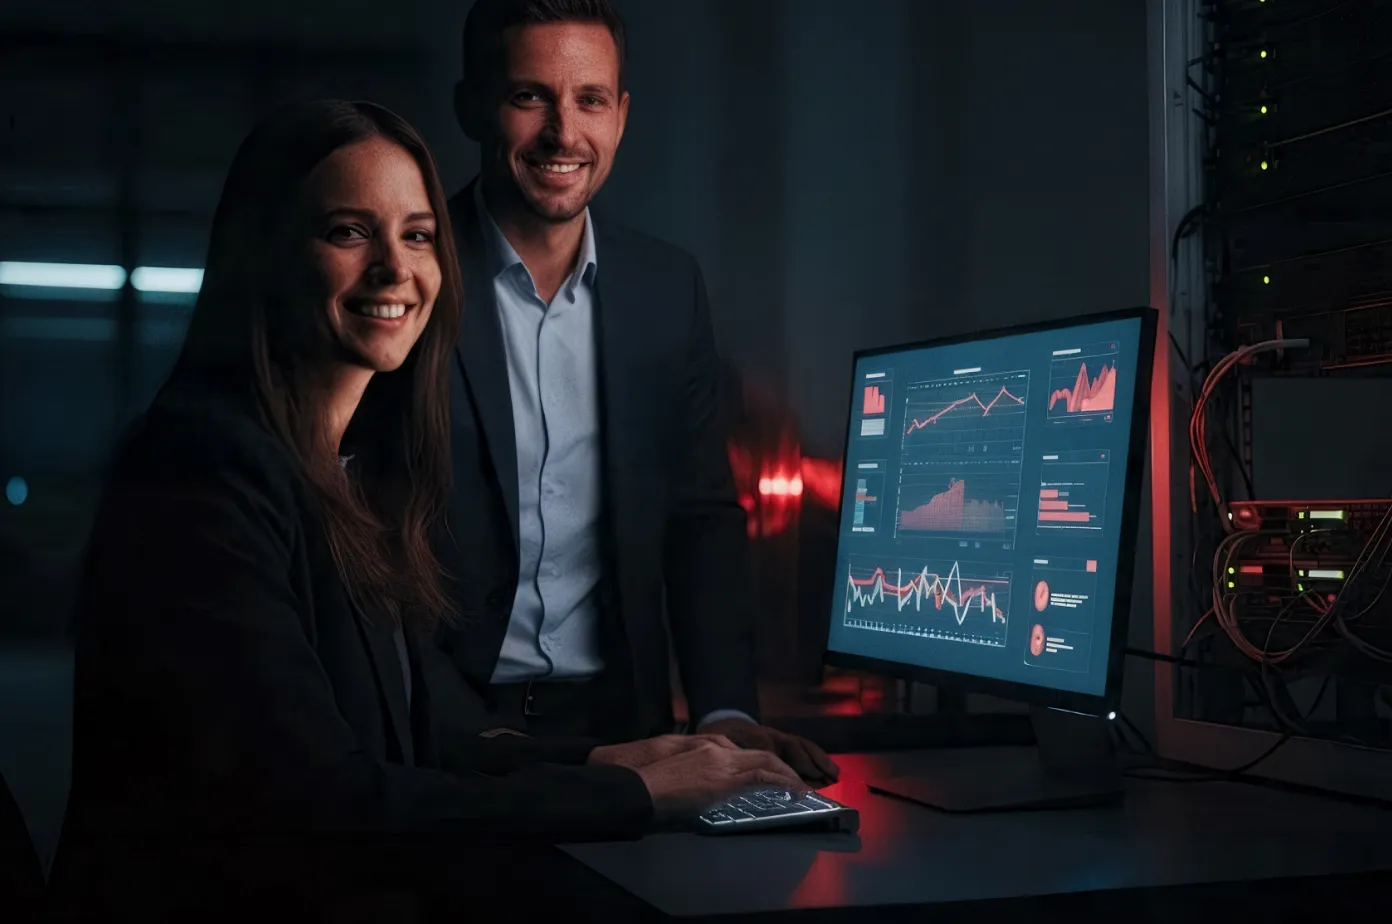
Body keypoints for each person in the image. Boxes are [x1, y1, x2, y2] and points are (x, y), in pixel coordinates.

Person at [47, 98, 806, 921]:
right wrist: (630, 795)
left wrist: (618, 755)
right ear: (264, 255)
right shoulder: (201, 472)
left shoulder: (350, 472)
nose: (395, 270)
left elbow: (429, 734)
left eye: (415, 234)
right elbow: (323, 799)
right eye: (347, 232)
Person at [435, 0, 839, 783]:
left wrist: (727, 713)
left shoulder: (667, 287)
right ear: (472, 107)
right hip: (451, 733)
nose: (563, 133)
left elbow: (701, 517)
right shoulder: (409, 275)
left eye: (589, 99)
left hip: (631, 731)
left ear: (620, 117)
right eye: (529, 97)